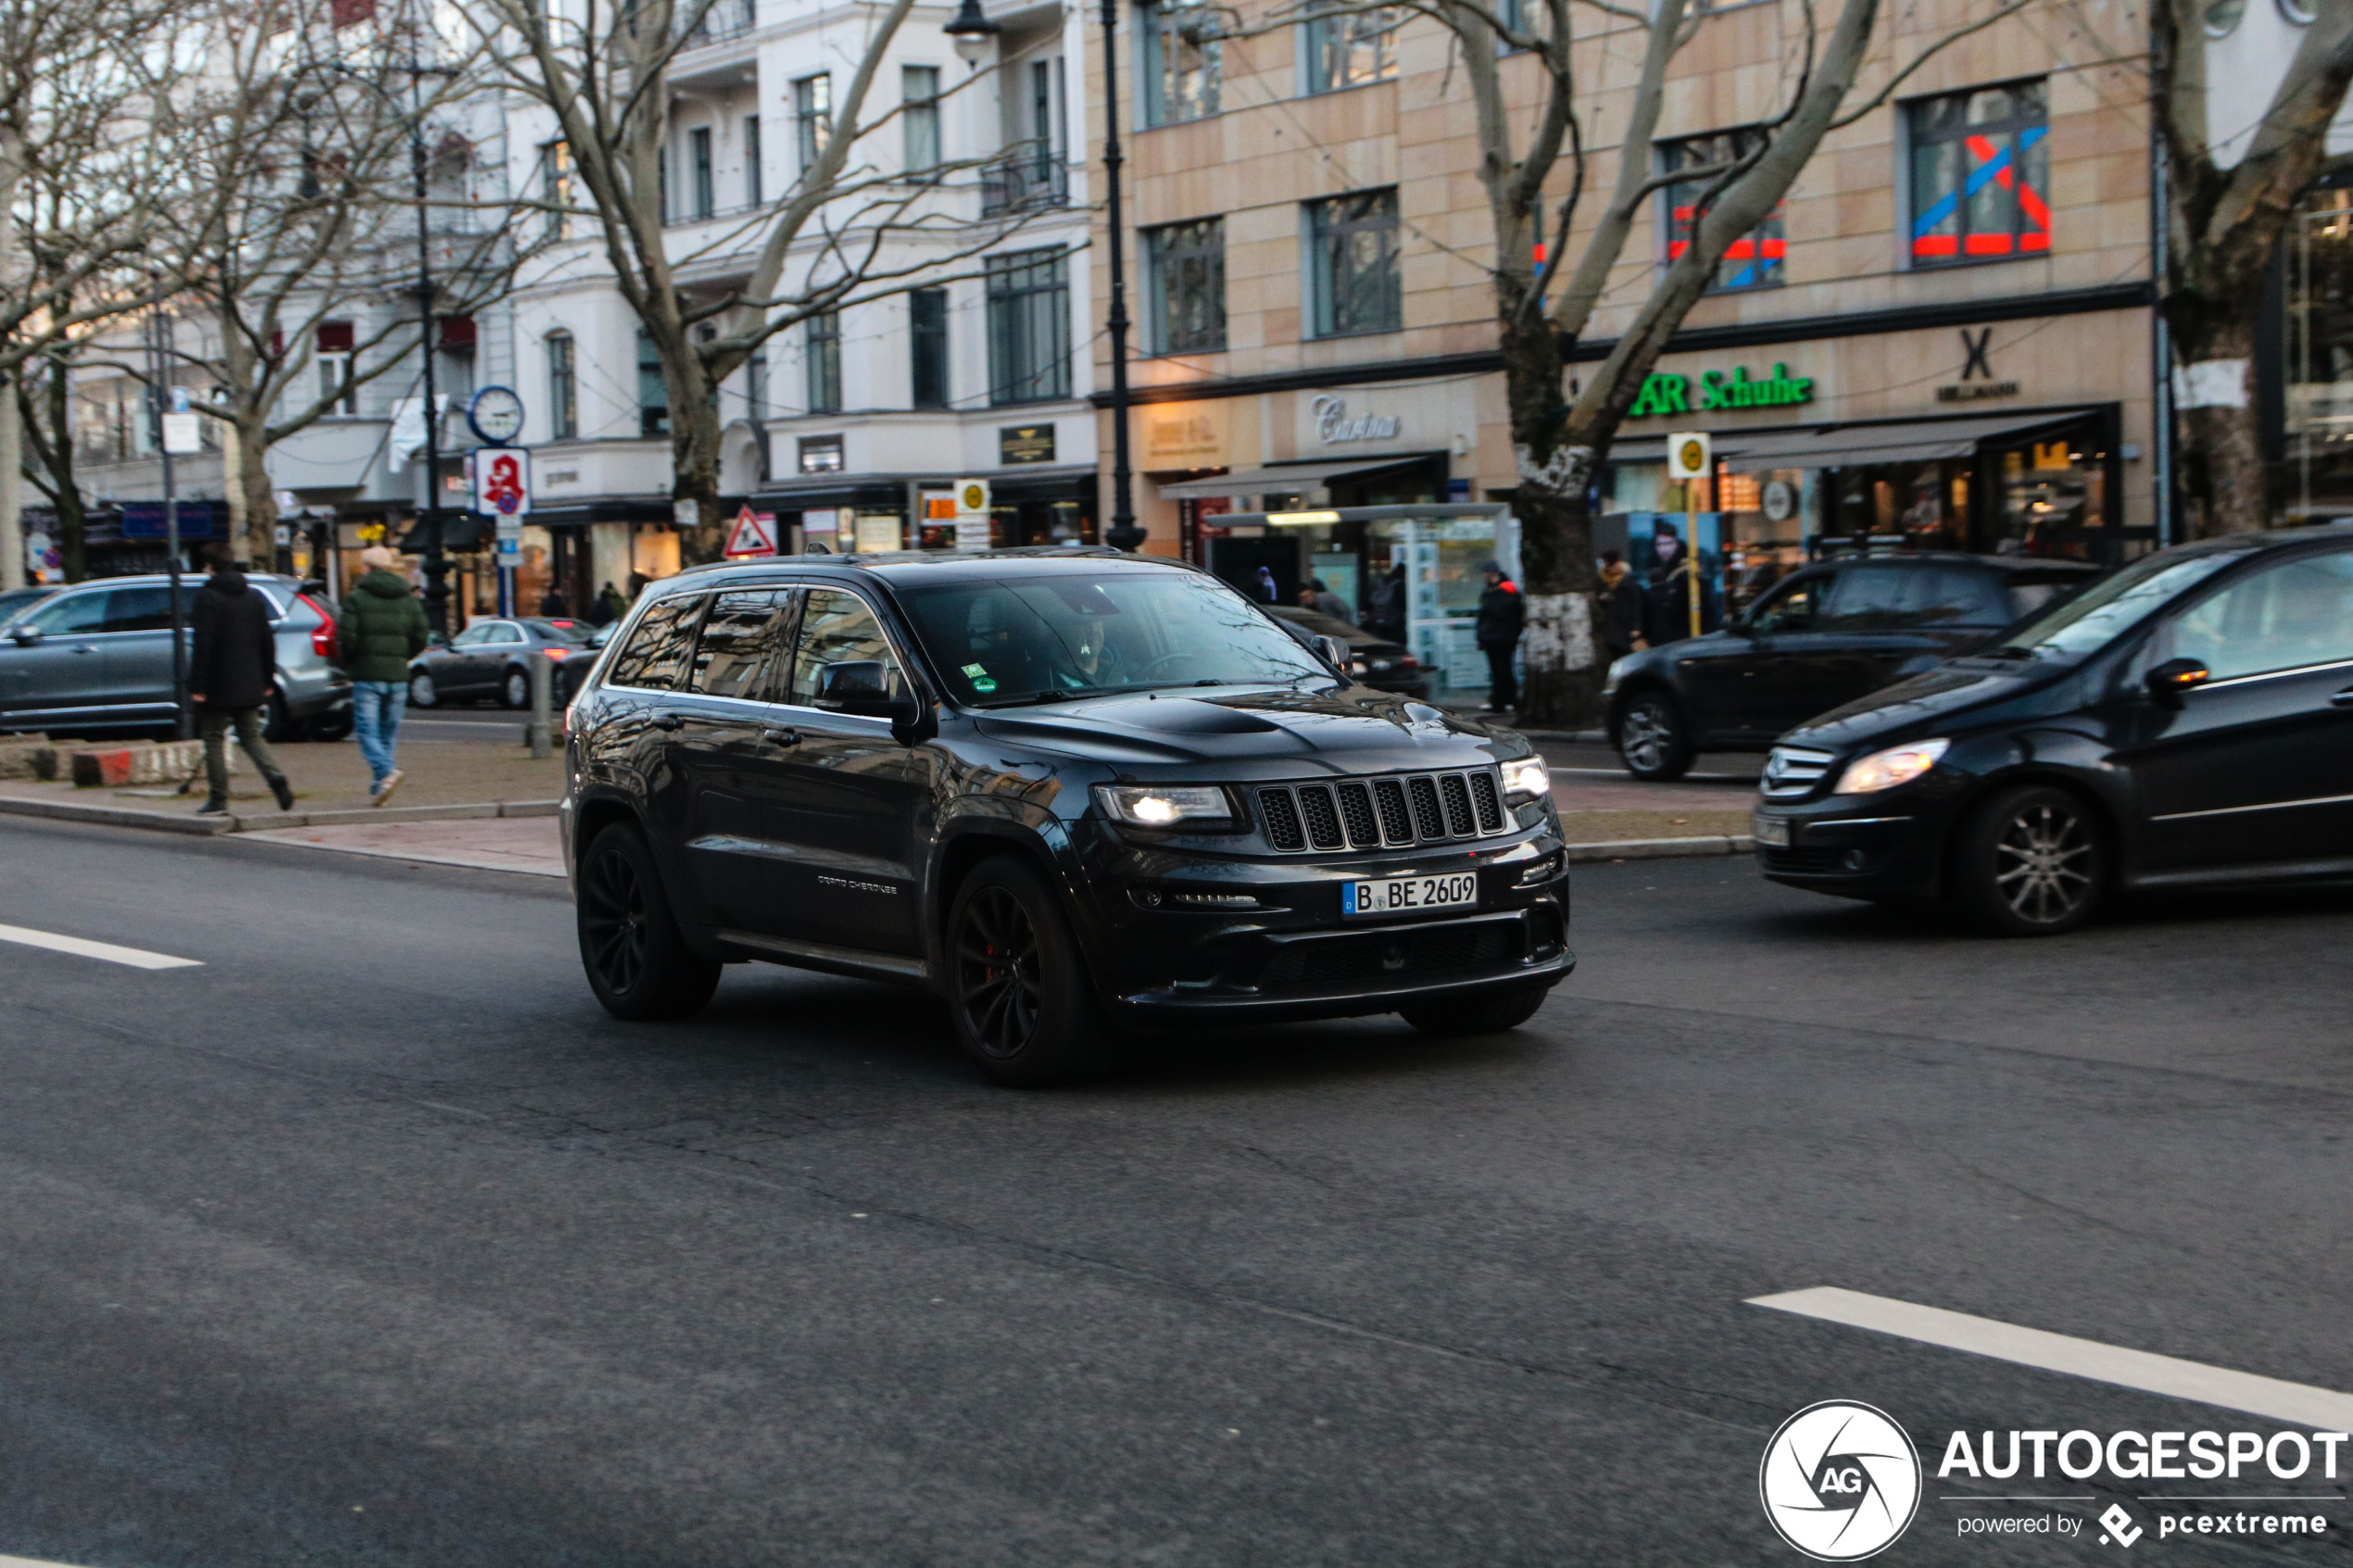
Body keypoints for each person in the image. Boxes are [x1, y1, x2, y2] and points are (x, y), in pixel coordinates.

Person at [187, 543, 295, 816]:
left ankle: (218, 799)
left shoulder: (207, 597)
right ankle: (276, 779)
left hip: (216, 682)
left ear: (209, 566)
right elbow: (266, 640)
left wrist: (197, 685)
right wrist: (267, 675)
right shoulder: (252, 597)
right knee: (251, 736)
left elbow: (203, 644)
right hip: (249, 679)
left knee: (213, 737)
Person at [338, 545, 431, 805]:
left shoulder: (356, 599)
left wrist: (352, 661)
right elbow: (421, 635)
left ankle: (386, 772)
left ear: (366, 568)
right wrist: (404, 656)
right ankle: (382, 787)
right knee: (388, 732)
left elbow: (347, 638)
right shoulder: (408, 598)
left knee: (367, 731)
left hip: (367, 674)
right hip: (398, 675)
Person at [1473, 558, 1524, 715]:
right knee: (1505, 669)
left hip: (1498, 637)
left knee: (1499, 670)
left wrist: (1482, 635)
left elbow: (1490, 614)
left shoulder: (1497, 592)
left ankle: (1499, 701)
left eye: (1487, 574)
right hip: (1502, 637)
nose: (1485, 577)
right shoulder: (1505, 590)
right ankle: (1508, 699)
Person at [1597, 548, 1646, 659]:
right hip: (1613, 625)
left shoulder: (1628, 581)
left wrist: (1636, 627)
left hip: (1627, 626)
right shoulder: (1603, 580)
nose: (1606, 568)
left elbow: (1636, 604)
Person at [1365, 561, 1407, 643]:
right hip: (1395, 624)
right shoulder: (1399, 585)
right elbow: (1403, 605)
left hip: (1379, 625)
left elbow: (1369, 603)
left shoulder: (1382, 583)